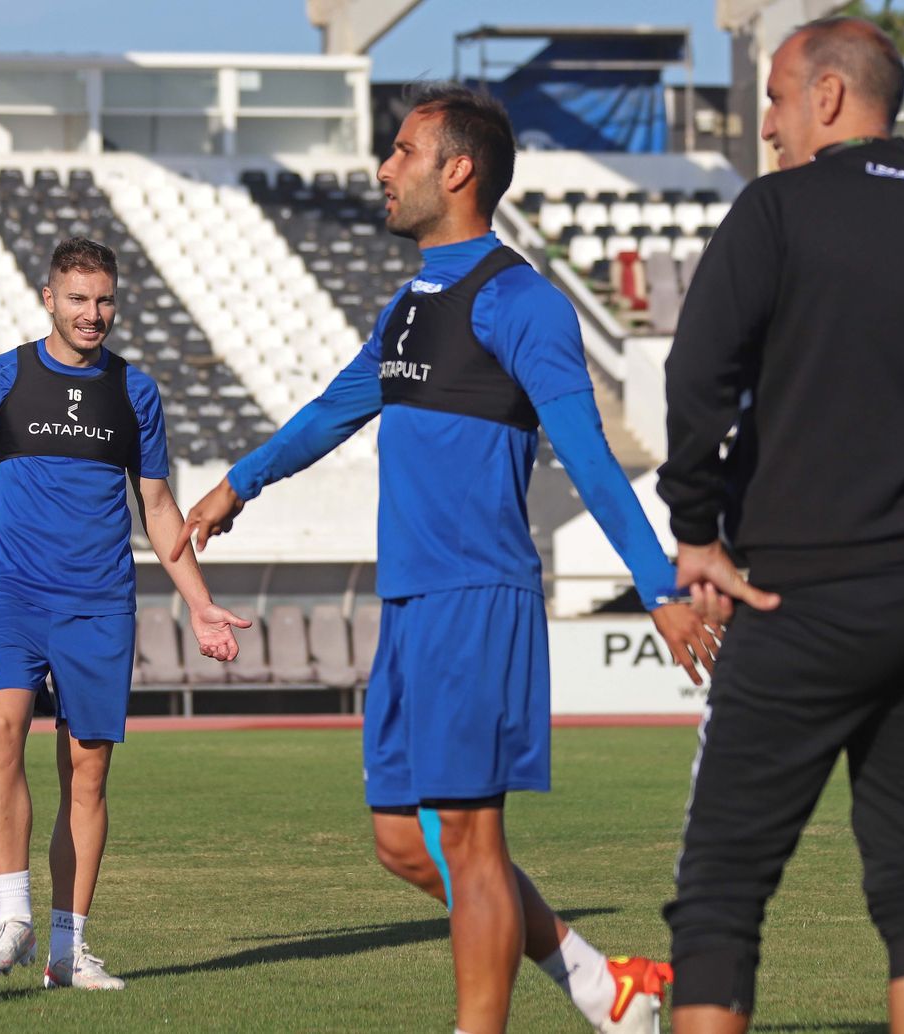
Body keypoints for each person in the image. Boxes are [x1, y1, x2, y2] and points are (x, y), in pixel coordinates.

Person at [175, 83, 720, 1034]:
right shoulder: (409, 305)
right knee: (402, 843)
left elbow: (592, 461)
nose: (383, 168)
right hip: (410, 604)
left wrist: (661, 587)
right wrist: (238, 484)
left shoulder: (522, 303)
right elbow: (333, 410)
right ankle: (603, 985)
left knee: (469, 840)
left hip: (477, 598)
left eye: (402, 151)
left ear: (457, 170)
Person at [657, 18, 904, 1034]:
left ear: (827, 96)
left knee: (721, 886)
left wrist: (696, 530)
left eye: (777, 99)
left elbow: (695, 376)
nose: (767, 126)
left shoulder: (775, 211)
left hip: (803, 593)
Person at [0, 237, 250, 992]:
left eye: (104, 300)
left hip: (99, 606)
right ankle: (14, 918)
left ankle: (68, 951)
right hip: (13, 596)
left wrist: (200, 605)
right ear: (49, 300)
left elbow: (157, 505)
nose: (92, 313)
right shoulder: (1, 378)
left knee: (86, 774)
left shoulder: (136, 392)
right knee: (0, 731)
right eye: (77, 299)